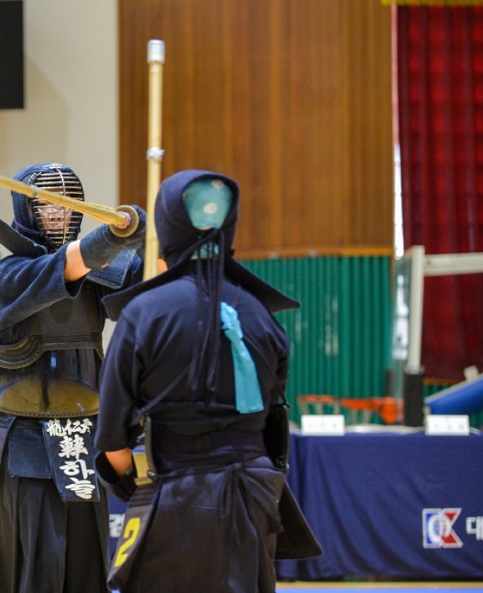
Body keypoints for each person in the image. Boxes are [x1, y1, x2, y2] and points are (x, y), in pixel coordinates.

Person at [93, 170, 320, 592]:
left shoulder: (144, 314)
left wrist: (138, 489)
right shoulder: (262, 315)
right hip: (253, 497)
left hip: (172, 498)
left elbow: (112, 444)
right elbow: (275, 424)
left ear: (166, 228)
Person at [0, 162, 144, 593]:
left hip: (81, 436)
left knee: (85, 563)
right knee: (34, 562)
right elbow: (71, 262)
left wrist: (142, 232)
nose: (59, 213)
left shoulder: (96, 273)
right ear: (26, 210)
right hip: (22, 440)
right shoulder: (8, 276)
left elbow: (143, 276)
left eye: (67, 204)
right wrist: (116, 234)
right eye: (47, 205)